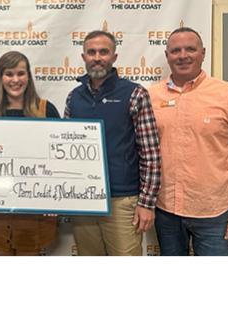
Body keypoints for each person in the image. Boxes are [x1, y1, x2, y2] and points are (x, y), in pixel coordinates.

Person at [148, 27, 228, 256]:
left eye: (190, 49)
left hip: (214, 214)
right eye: (175, 50)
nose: (183, 55)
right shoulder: (150, 97)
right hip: (165, 211)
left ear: (203, 53)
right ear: (167, 56)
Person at [64, 30, 161, 255]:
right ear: (84, 57)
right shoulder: (73, 97)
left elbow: (151, 154)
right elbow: (66, 152)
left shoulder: (135, 94)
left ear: (114, 57)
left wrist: (147, 203)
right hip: (84, 200)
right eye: (91, 52)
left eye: (104, 52)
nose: (97, 57)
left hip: (122, 201)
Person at [0, 51, 60, 255]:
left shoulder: (46, 110)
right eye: (9, 74)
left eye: (20, 73)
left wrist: (57, 199)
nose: (15, 80)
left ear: (28, 76)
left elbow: (58, 161)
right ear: (0, 78)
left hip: (35, 215)